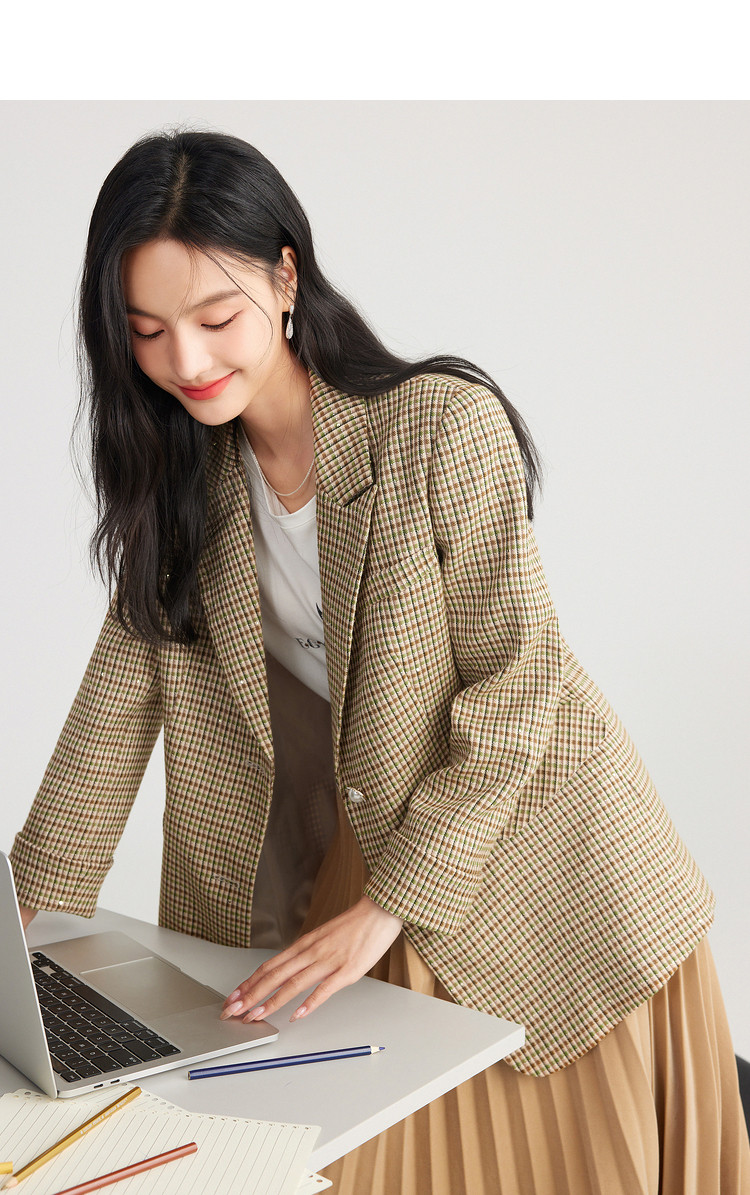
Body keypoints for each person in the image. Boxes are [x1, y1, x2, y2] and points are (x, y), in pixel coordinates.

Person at [10, 129, 749, 1195]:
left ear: (285, 279)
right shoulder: (179, 487)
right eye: (148, 331)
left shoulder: (439, 426)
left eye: (215, 319)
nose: (187, 362)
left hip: (543, 869)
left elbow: (518, 683)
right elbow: (110, 716)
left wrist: (387, 904)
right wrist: (20, 918)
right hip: (353, 865)